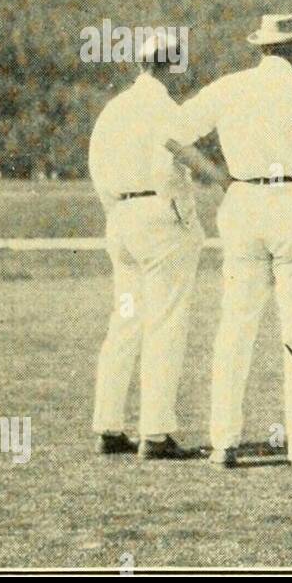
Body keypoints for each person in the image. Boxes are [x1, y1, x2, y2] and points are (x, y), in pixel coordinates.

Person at [165, 13, 292, 469]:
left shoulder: (230, 88)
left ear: (262, 48)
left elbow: (172, 134)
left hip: (244, 201)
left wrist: (220, 177)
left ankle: (225, 441)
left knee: (236, 324)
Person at [88, 32, 204, 460]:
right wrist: (183, 215)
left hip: (121, 218)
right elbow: (169, 167)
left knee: (126, 320)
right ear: (173, 65)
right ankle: (155, 432)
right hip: (159, 218)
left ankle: (108, 425)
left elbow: (97, 169)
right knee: (166, 323)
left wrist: (116, 212)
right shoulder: (166, 109)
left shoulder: (113, 109)